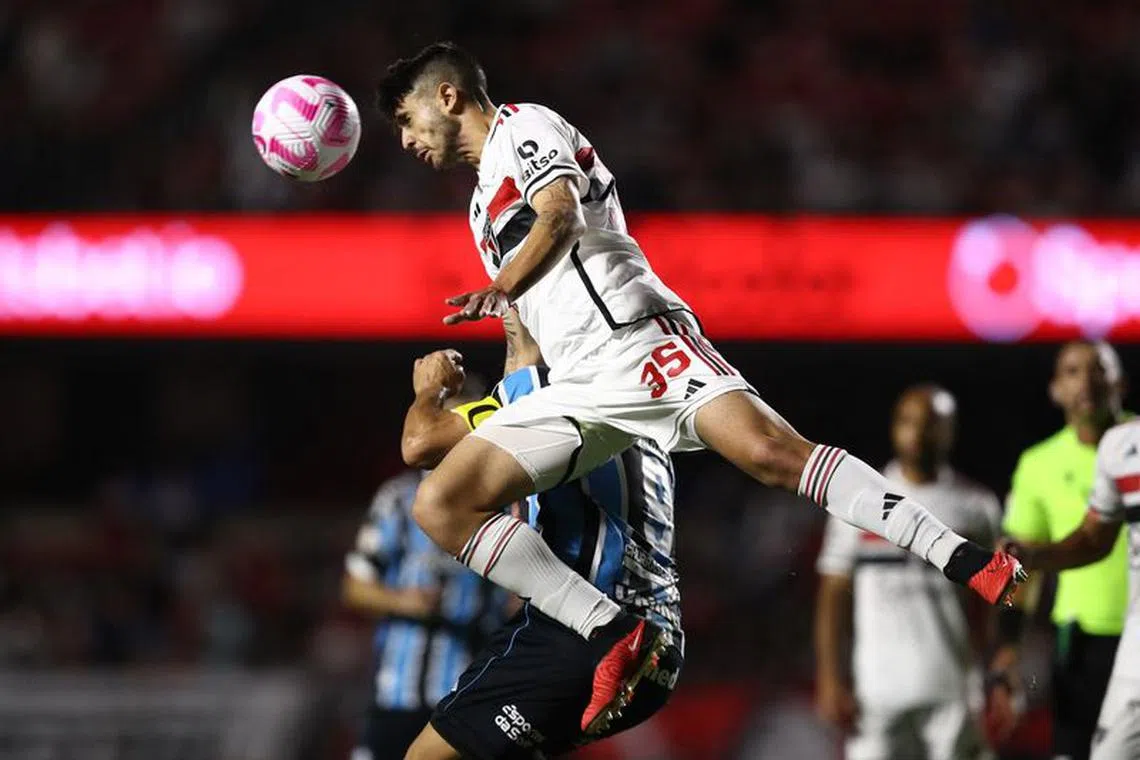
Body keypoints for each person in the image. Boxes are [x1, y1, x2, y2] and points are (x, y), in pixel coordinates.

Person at [376, 41, 1024, 734]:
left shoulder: (524, 126)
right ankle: (611, 633)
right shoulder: (480, 207)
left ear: (447, 97)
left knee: (773, 454)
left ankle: (964, 557)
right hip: (575, 384)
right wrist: (512, 355)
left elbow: (561, 215)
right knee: (441, 504)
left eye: (407, 120)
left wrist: (500, 286)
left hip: (636, 338)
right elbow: (527, 324)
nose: (407, 140)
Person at [397, 316, 684, 760]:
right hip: (662, 642)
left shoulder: (542, 392)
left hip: (585, 634)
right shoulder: (648, 412)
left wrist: (429, 390)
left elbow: (419, 444)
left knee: (437, 505)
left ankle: (607, 628)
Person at [815, 385, 1001, 760]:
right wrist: (830, 676)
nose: (917, 432)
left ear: (949, 431)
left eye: (930, 423)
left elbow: (992, 600)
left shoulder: (976, 506)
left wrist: (993, 669)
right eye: (907, 421)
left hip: (952, 688)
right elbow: (833, 593)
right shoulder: (859, 500)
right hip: (876, 691)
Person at [343, 386, 509, 759]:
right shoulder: (397, 501)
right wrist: (404, 602)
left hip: (470, 694)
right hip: (398, 694)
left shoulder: (504, 502)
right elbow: (355, 587)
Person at [988, 341, 1131, 760]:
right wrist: (1009, 650)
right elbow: (1021, 565)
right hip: (1082, 640)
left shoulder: (1135, 445)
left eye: (1098, 369)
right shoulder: (1038, 465)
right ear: (1055, 389)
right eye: (1072, 371)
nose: (1086, 381)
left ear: (1120, 383)